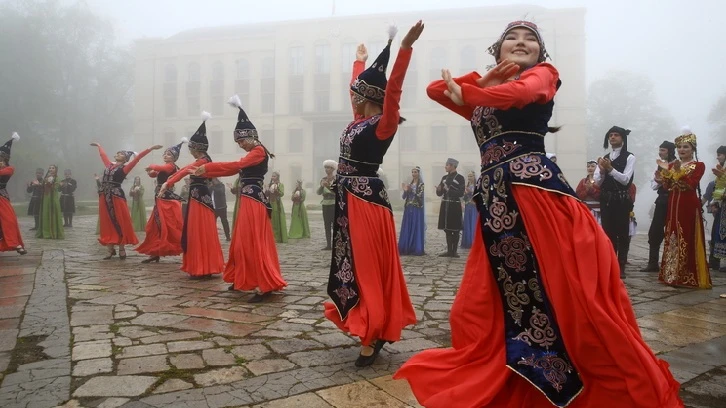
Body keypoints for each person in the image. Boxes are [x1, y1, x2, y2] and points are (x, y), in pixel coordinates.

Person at [394, 20, 682, 408]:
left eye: (531, 40)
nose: (521, 42)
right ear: (497, 50)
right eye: (511, 38)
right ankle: (517, 375)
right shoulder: (487, 89)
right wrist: (487, 79)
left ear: (541, 54)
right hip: (498, 204)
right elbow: (435, 90)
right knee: (482, 303)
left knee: (563, 294)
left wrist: (481, 90)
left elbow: (520, 93)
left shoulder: (543, 75)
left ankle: (575, 378)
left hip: (536, 198)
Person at [323, 22, 423, 368]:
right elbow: (358, 94)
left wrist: (404, 49)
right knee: (352, 263)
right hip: (349, 199)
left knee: (367, 265)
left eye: (358, 91)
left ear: (370, 97)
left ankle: (375, 330)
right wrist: (358, 61)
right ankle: (367, 319)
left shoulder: (384, 122)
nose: (353, 95)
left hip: (366, 201)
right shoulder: (358, 121)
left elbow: (393, 89)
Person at [191, 95, 286, 302]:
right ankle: (241, 277)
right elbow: (235, 169)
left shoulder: (258, 152)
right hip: (248, 199)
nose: (241, 145)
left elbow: (235, 166)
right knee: (242, 241)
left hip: (254, 200)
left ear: (252, 137)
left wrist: (208, 168)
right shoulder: (255, 151)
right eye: (238, 142)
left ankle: (263, 284)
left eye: (242, 140)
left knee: (252, 240)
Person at [159, 112, 225, 278]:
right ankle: (203, 265)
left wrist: (168, 183)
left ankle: (202, 267)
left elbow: (185, 170)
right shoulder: (204, 160)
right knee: (199, 232)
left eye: (191, 149)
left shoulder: (202, 161)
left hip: (200, 200)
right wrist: (169, 182)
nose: (191, 152)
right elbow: (184, 170)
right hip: (199, 198)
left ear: (196, 149)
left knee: (199, 232)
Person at [658, 127, 711, 289]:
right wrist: (665, 175)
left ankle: (686, 276)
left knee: (686, 236)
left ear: (693, 149)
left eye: (686, 147)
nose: (682, 150)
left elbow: (691, 184)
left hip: (688, 205)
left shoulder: (698, 165)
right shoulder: (673, 164)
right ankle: (671, 274)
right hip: (673, 204)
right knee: (672, 235)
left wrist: (678, 173)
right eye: (680, 147)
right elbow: (666, 187)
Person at [92, 142, 160, 259]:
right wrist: (99, 146)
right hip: (105, 196)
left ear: (125, 159)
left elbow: (137, 158)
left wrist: (150, 148)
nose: (117, 154)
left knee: (120, 220)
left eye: (121, 153)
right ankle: (110, 249)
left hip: (116, 196)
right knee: (107, 221)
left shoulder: (125, 168)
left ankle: (122, 248)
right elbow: (103, 156)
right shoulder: (108, 165)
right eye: (117, 153)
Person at [135, 138, 186, 263]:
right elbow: (155, 173)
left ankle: (183, 247)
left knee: (166, 224)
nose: (165, 156)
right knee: (156, 225)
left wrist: (151, 166)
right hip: (159, 197)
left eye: (168, 154)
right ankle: (155, 251)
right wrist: (151, 172)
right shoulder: (166, 167)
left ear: (174, 158)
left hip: (166, 198)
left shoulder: (170, 166)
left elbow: (157, 168)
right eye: (165, 154)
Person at [595, 126, 635, 277]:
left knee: (622, 233)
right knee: (608, 232)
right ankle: (610, 263)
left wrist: (611, 169)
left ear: (622, 138)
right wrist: (602, 171)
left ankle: (621, 264)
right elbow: (598, 183)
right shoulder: (605, 157)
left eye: (616, 135)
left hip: (621, 199)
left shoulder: (630, 157)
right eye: (610, 135)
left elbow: (625, 180)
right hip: (606, 200)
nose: (612, 137)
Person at [642, 141, 676, 271]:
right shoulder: (660, 166)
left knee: (674, 231)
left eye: (663, 150)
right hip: (662, 200)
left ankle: (673, 263)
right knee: (655, 231)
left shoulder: (677, 165)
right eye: (660, 150)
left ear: (670, 151)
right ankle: (653, 263)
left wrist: (666, 180)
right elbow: (654, 185)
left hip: (675, 201)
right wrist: (659, 180)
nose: (660, 153)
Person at [0, 133, 27, 255]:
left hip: (1, 197)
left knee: (9, 220)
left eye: (1, 158)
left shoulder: (9, 169)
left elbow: (4, 173)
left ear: (5, 159)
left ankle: (15, 244)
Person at [436, 158, 465, 257]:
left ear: (452, 166)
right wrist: (439, 190)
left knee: (455, 229)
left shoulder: (460, 178)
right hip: (445, 205)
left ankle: (454, 251)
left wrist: (448, 190)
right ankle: (449, 251)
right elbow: (440, 193)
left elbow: (461, 193)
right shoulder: (444, 177)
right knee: (447, 229)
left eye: (447, 165)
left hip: (454, 205)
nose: (445, 167)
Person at [705, 145, 726, 271]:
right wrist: (714, 202)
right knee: (717, 233)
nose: (717, 157)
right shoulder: (720, 172)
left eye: (720, 155)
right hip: (722, 208)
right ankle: (715, 261)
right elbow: (717, 189)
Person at [398, 166, 426, 255]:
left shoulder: (421, 185)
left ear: (419, 173)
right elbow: (403, 197)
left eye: (415, 172)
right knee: (408, 227)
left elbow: (420, 196)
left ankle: (415, 247)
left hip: (416, 209)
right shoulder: (409, 184)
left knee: (415, 227)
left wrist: (411, 190)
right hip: (408, 208)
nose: (413, 174)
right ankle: (406, 246)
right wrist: (406, 190)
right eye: (412, 172)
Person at [36, 164, 64, 240]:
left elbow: (56, 188)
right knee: (45, 214)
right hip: (45, 198)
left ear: (56, 169)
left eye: (53, 168)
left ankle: (54, 232)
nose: (51, 169)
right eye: (50, 168)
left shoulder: (58, 178)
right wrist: (38, 184)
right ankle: (45, 232)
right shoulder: (46, 178)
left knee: (53, 214)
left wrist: (50, 183)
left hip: (53, 198)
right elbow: (42, 188)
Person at [317, 160, 337, 250]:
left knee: (334, 225)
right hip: (325, 204)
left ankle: (336, 244)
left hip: (333, 203)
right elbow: (318, 192)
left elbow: (337, 192)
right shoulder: (323, 179)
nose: (326, 169)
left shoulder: (336, 179)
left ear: (333, 169)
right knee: (327, 224)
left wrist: (328, 186)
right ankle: (328, 244)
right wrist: (322, 186)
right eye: (325, 167)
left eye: (328, 167)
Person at [267, 171, 288, 243]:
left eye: (274, 176)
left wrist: (276, 190)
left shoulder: (280, 185)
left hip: (277, 204)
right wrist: (266, 189)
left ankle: (277, 237)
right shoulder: (270, 184)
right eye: (272, 176)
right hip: (270, 203)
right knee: (270, 220)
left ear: (277, 177)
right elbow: (267, 195)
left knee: (276, 220)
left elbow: (281, 194)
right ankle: (270, 236)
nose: (273, 177)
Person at [460, 170, 477, 249]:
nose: (469, 178)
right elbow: (464, 196)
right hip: (467, 205)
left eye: (471, 176)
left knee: (473, 223)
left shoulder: (476, 185)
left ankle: (473, 241)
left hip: (474, 206)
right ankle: (467, 241)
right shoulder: (467, 185)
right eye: (468, 176)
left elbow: (478, 194)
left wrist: (470, 191)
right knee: (467, 223)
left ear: (474, 177)